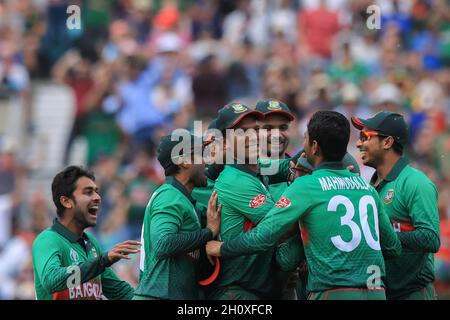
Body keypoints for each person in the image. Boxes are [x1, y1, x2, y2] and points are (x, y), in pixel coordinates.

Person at [207, 110, 402, 300]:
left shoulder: (305, 186)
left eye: (306, 138)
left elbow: (266, 236)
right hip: (376, 290)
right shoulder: (366, 189)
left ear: (314, 146)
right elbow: (393, 247)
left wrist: (221, 248)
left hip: (331, 291)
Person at [208, 102, 301, 300]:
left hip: (257, 290)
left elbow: (288, 164)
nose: (252, 137)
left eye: (256, 130)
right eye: (242, 132)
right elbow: (280, 226)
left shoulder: (257, 167)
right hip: (238, 293)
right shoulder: (234, 181)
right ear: (224, 143)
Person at [351, 111, 440, 300]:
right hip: (381, 292)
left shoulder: (415, 182)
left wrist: (387, 237)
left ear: (387, 142)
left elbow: (431, 238)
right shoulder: (368, 187)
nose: (359, 143)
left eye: (365, 137)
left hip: (412, 293)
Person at [133, 131, 221, 300]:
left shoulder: (181, 197)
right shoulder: (169, 196)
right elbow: (162, 244)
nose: (204, 161)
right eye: (199, 155)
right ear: (184, 161)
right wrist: (208, 232)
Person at [32, 166, 140, 300]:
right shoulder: (48, 240)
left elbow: (121, 292)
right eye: (88, 192)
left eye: (97, 192)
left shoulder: (92, 244)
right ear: (66, 201)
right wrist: (103, 261)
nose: (97, 197)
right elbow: (51, 281)